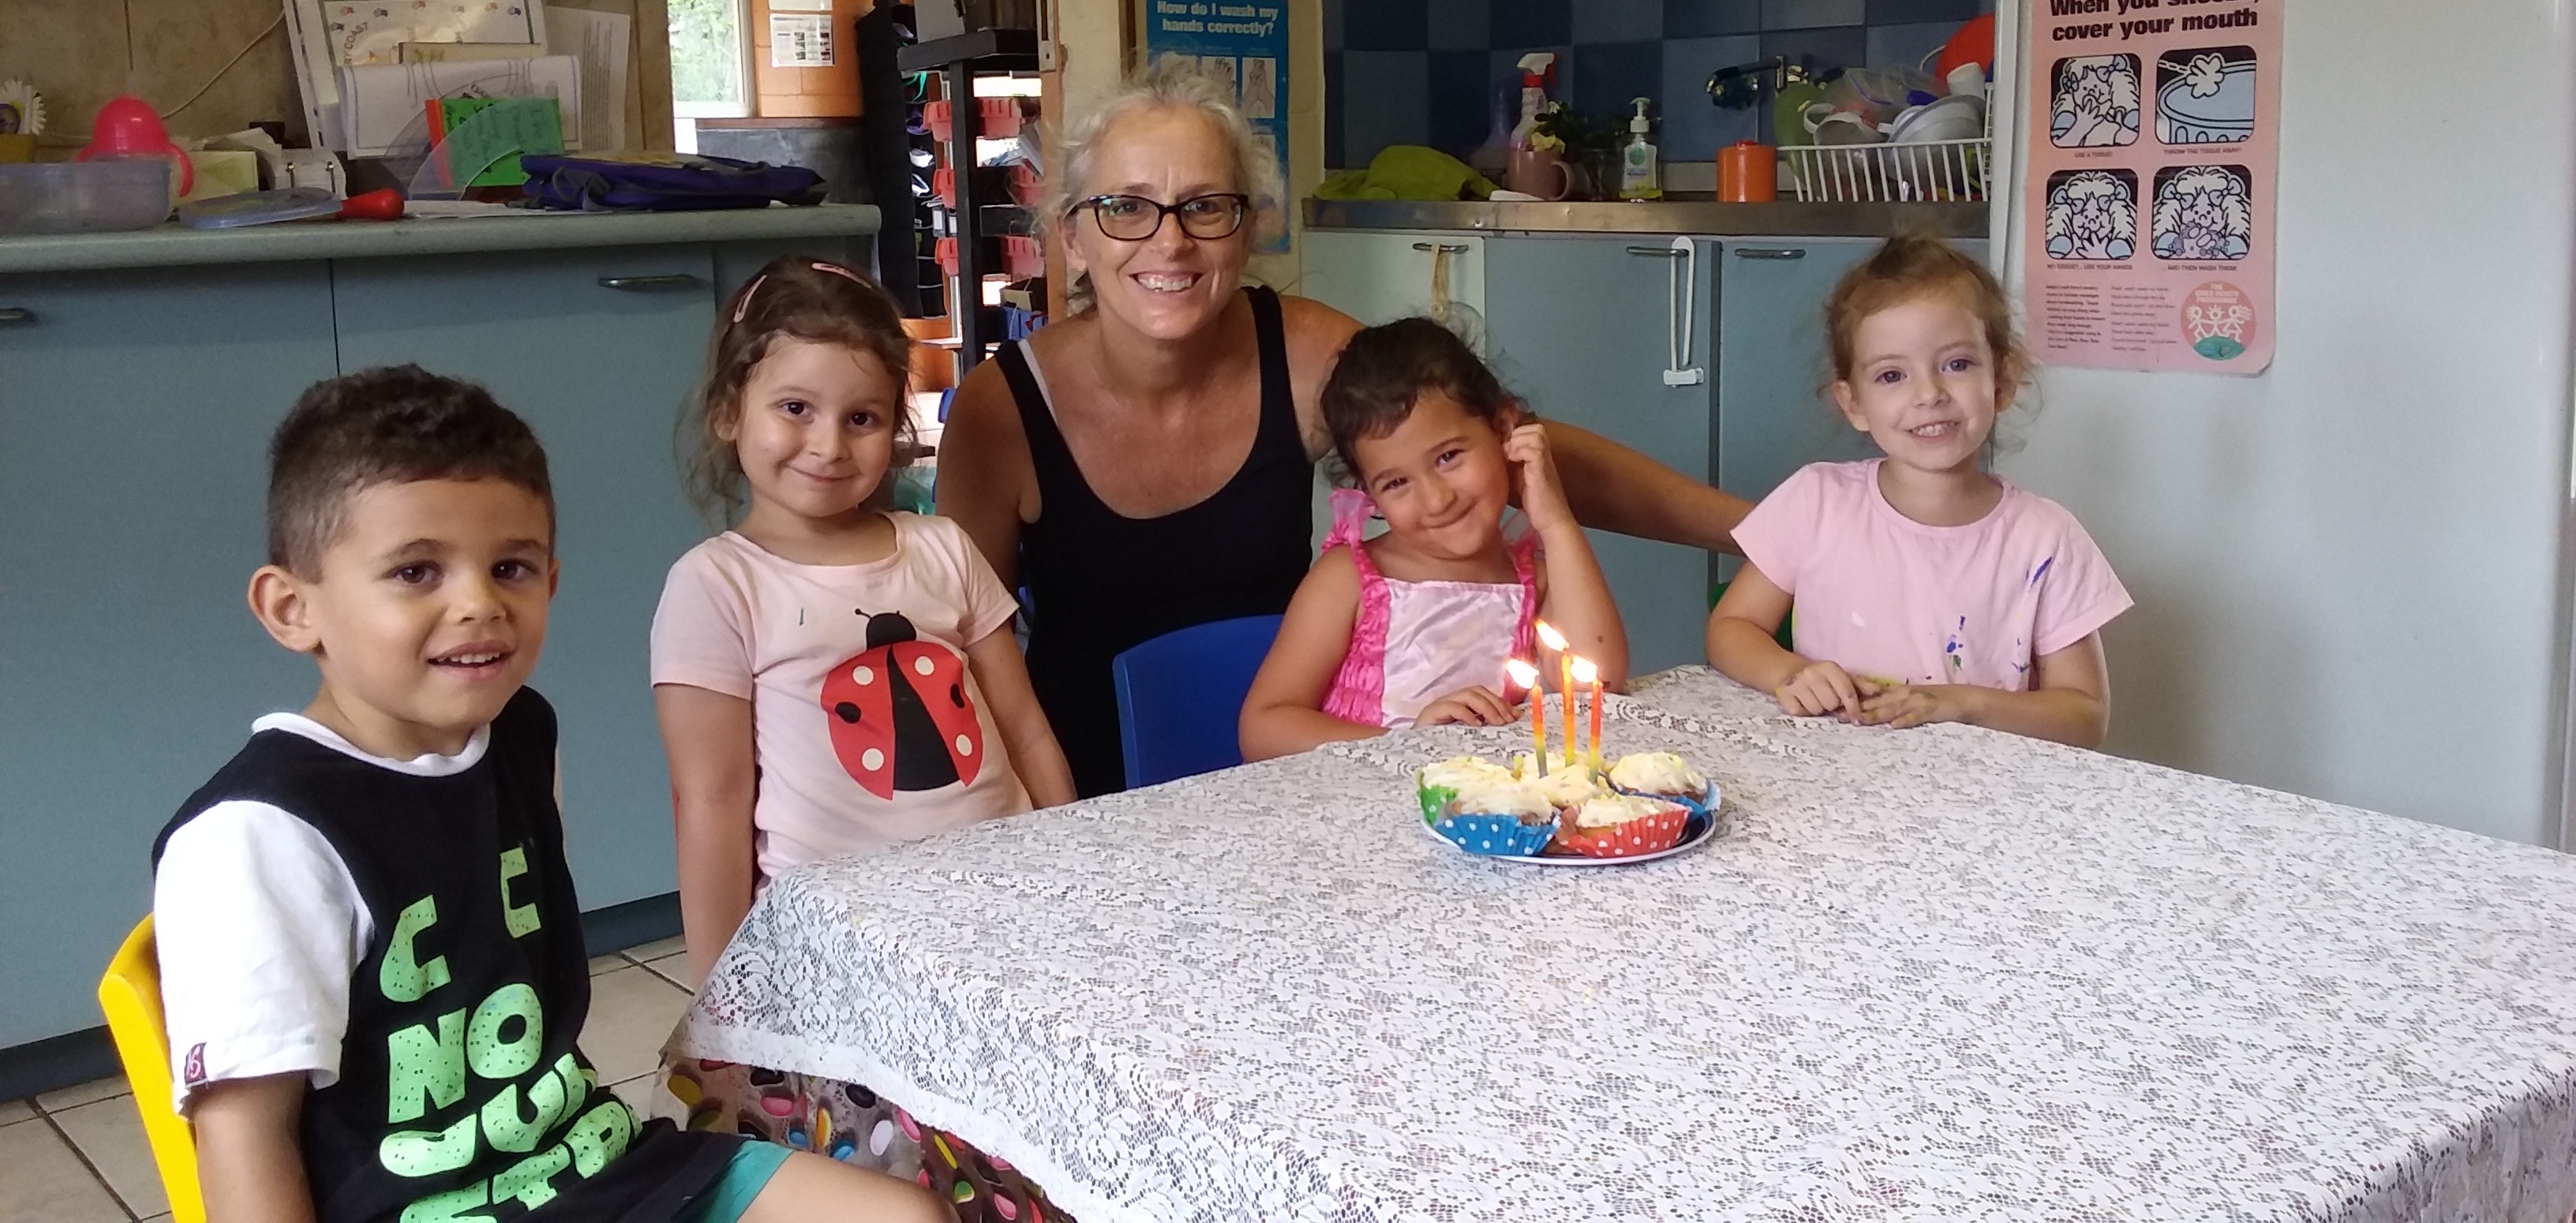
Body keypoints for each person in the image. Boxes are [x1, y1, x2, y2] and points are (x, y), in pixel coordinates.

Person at [152, 365, 943, 1223]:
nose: (479, 604)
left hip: (587, 1166)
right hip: (418, 1210)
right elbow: (243, 1138)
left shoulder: (519, 735)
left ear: (552, 582)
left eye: (512, 567)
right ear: (291, 608)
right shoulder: (257, 838)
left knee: (906, 1214)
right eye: (417, 572)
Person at [937, 67, 1751, 795]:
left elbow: (1517, 452)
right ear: (1072, 238)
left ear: (1250, 230)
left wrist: (1767, 535)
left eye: (1206, 207)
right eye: (1126, 208)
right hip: (1088, 798)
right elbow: (960, 642)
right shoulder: (1000, 408)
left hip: (1312, 787)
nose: (1171, 239)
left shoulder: (1301, 353)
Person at [653, 258, 1076, 987]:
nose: (828, 445)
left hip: (1004, 905)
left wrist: (1073, 865)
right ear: (729, 411)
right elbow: (713, 803)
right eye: (794, 409)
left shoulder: (942, 546)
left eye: (862, 418)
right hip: (843, 939)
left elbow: (1025, 727)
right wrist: (724, 993)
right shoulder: (716, 585)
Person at [1704, 234, 2132, 746]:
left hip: (1983, 799)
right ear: (1853, 402)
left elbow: (2084, 718)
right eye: (1891, 375)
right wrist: (1788, 673)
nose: (1929, 394)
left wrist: (1965, 703)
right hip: (1841, 782)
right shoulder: (1815, 501)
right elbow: (1732, 627)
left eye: (1957, 364)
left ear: (2003, 380)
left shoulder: (2047, 538)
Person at [1239, 318, 1626, 755]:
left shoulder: (1537, 583)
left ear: (1503, 430)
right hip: (1363, 805)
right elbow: (1263, 729)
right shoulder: (1350, 579)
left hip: (1481, 815)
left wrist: (1556, 523)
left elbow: (1599, 684)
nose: (1436, 500)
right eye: (1396, 483)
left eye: (1448, 457)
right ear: (1370, 494)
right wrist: (1411, 744)